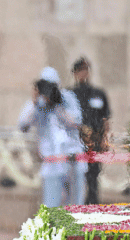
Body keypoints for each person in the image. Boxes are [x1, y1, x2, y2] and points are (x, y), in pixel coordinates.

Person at [18, 66, 85, 207]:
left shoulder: (68, 98)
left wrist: (56, 105)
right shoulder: (36, 104)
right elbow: (23, 126)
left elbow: (76, 122)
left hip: (73, 161)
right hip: (51, 163)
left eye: (52, 86)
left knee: (75, 207)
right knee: (51, 207)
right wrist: (36, 103)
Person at [70, 57, 111, 205]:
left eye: (85, 70)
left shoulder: (98, 94)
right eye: (80, 71)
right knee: (75, 180)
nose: (83, 74)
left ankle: (92, 209)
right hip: (75, 144)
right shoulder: (70, 94)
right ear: (74, 73)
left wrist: (104, 140)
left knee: (93, 180)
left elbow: (105, 120)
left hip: (94, 144)